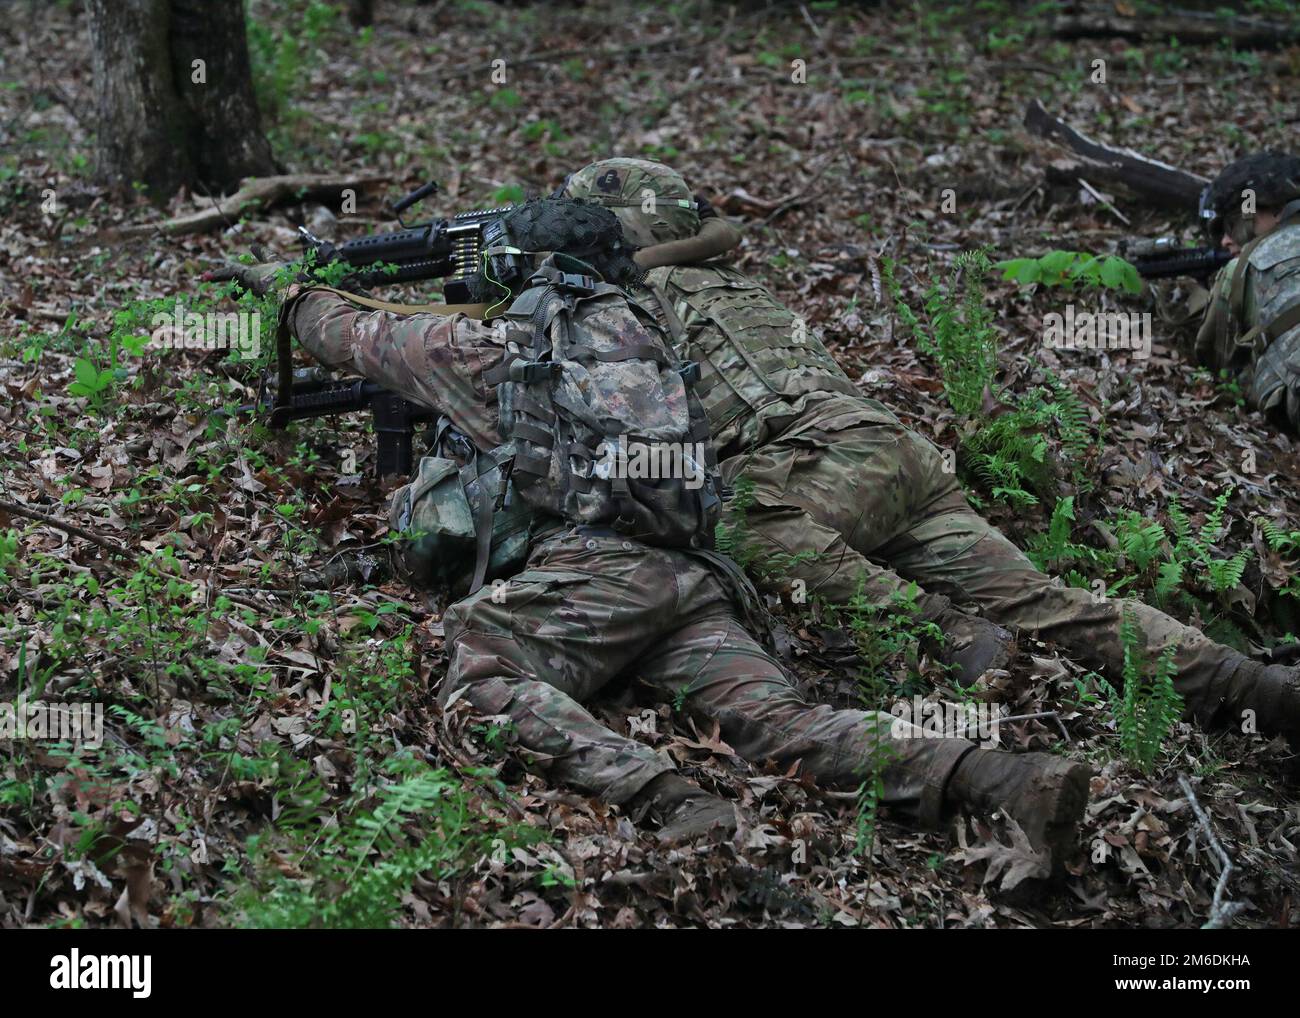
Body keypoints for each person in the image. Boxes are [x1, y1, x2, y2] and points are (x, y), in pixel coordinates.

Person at [226, 246, 1092, 877]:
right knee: (780, 723)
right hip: (692, 572)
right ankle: (1000, 776)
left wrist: (289, 288)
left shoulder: (490, 349)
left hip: (599, 579)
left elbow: (346, 334)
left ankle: (665, 798)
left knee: (480, 661)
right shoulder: (657, 333)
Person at [561, 158, 1300, 752]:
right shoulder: (731, 281)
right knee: (1048, 603)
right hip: (894, 454)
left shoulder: (626, 302)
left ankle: (955, 636)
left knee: (737, 521)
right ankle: (1255, 688)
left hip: (816, 463)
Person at [1194, 151, 1300, 432]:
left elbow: (1213, 358)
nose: (1226, 240)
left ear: (1276, 211)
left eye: (1233, 224)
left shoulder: (1242, 267)